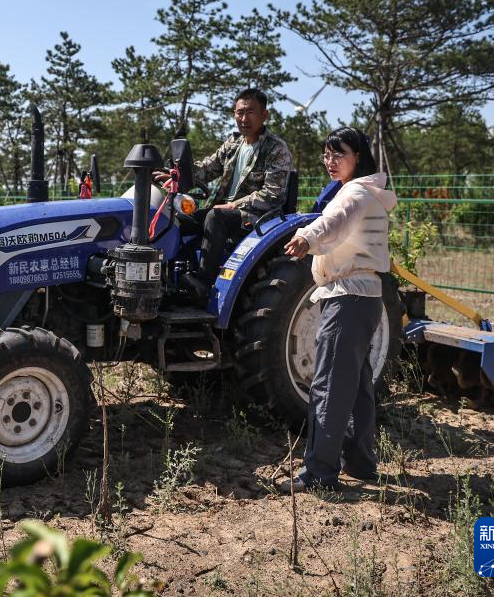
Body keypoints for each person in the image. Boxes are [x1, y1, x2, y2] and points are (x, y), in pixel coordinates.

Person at [279, 127, 397, 492]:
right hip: (363, 300)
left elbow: (333, 221)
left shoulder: (355, 192)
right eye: (327, 155)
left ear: (358, 157)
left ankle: (318, 473)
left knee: (329, 385)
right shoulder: (367, 191)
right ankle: (360, 463)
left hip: (348, 298)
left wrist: (307, 236)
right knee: (356, 386)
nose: (330, 161)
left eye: (339, 154)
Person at [155, 88, 293, 299]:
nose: (243, 118)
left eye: (250, 112)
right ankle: (166, 279)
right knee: (177, 219)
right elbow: (206, 169)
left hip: (257, 215)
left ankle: (204, 283)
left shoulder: (276, 149)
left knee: (215, 216)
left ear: (264, 115)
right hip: (225, 211)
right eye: (239, 112)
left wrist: (233, 205)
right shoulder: (233, 144)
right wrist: (176, 175)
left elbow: (272, 195)